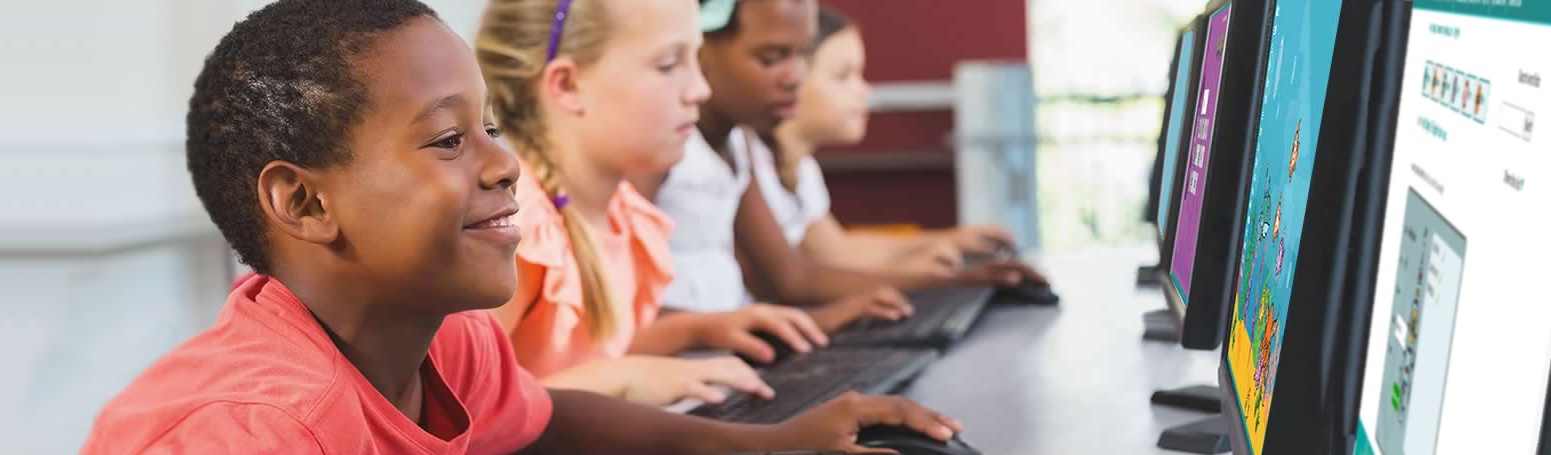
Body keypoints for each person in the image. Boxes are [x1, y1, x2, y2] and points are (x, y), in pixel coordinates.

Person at [80, 1, 962, 453]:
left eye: (492, 127)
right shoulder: (258, 430)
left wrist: (771, 444)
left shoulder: (441, 341)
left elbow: (550, 423)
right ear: (305, 203)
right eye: (448, 139)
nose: (503, 165)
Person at [472, 0, 830, 406]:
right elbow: (470, 406)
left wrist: (698, 330)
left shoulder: (621, 214)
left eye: (694, 59)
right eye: (668, 64)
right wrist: (621, 381)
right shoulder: (522, 227)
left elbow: (594, 353)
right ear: (568, 85)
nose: (700, 89)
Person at [638, 0, 1043, 317]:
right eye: (771, 57)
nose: (794, 76)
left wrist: (958, 281)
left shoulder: (736, 145)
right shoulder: (663, 144)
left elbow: (790, 273)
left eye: (800, 56)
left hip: (720, 359)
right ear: (701, 50)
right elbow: (623, 308)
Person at [761, 7, 1027, 281]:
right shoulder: (754, 169)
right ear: (790, 79)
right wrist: (917, 273)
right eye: (843, 76)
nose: (864, 90)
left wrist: (952, 239)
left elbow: (837, 250)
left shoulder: (801, 169)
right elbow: (797, 279)